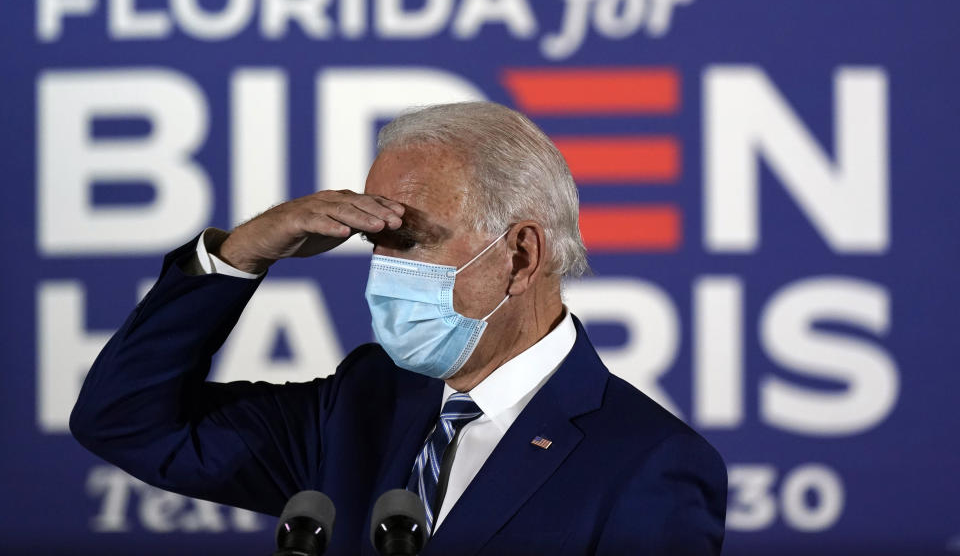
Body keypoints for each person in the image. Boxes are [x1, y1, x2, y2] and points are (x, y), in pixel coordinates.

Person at [71, 101, 727, 555]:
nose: (381, 271)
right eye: (373, 242)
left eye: (407, 242)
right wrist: (239, 255)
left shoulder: (649, 464)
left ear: (521, 255)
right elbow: (127, 422)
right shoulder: (367, 399)